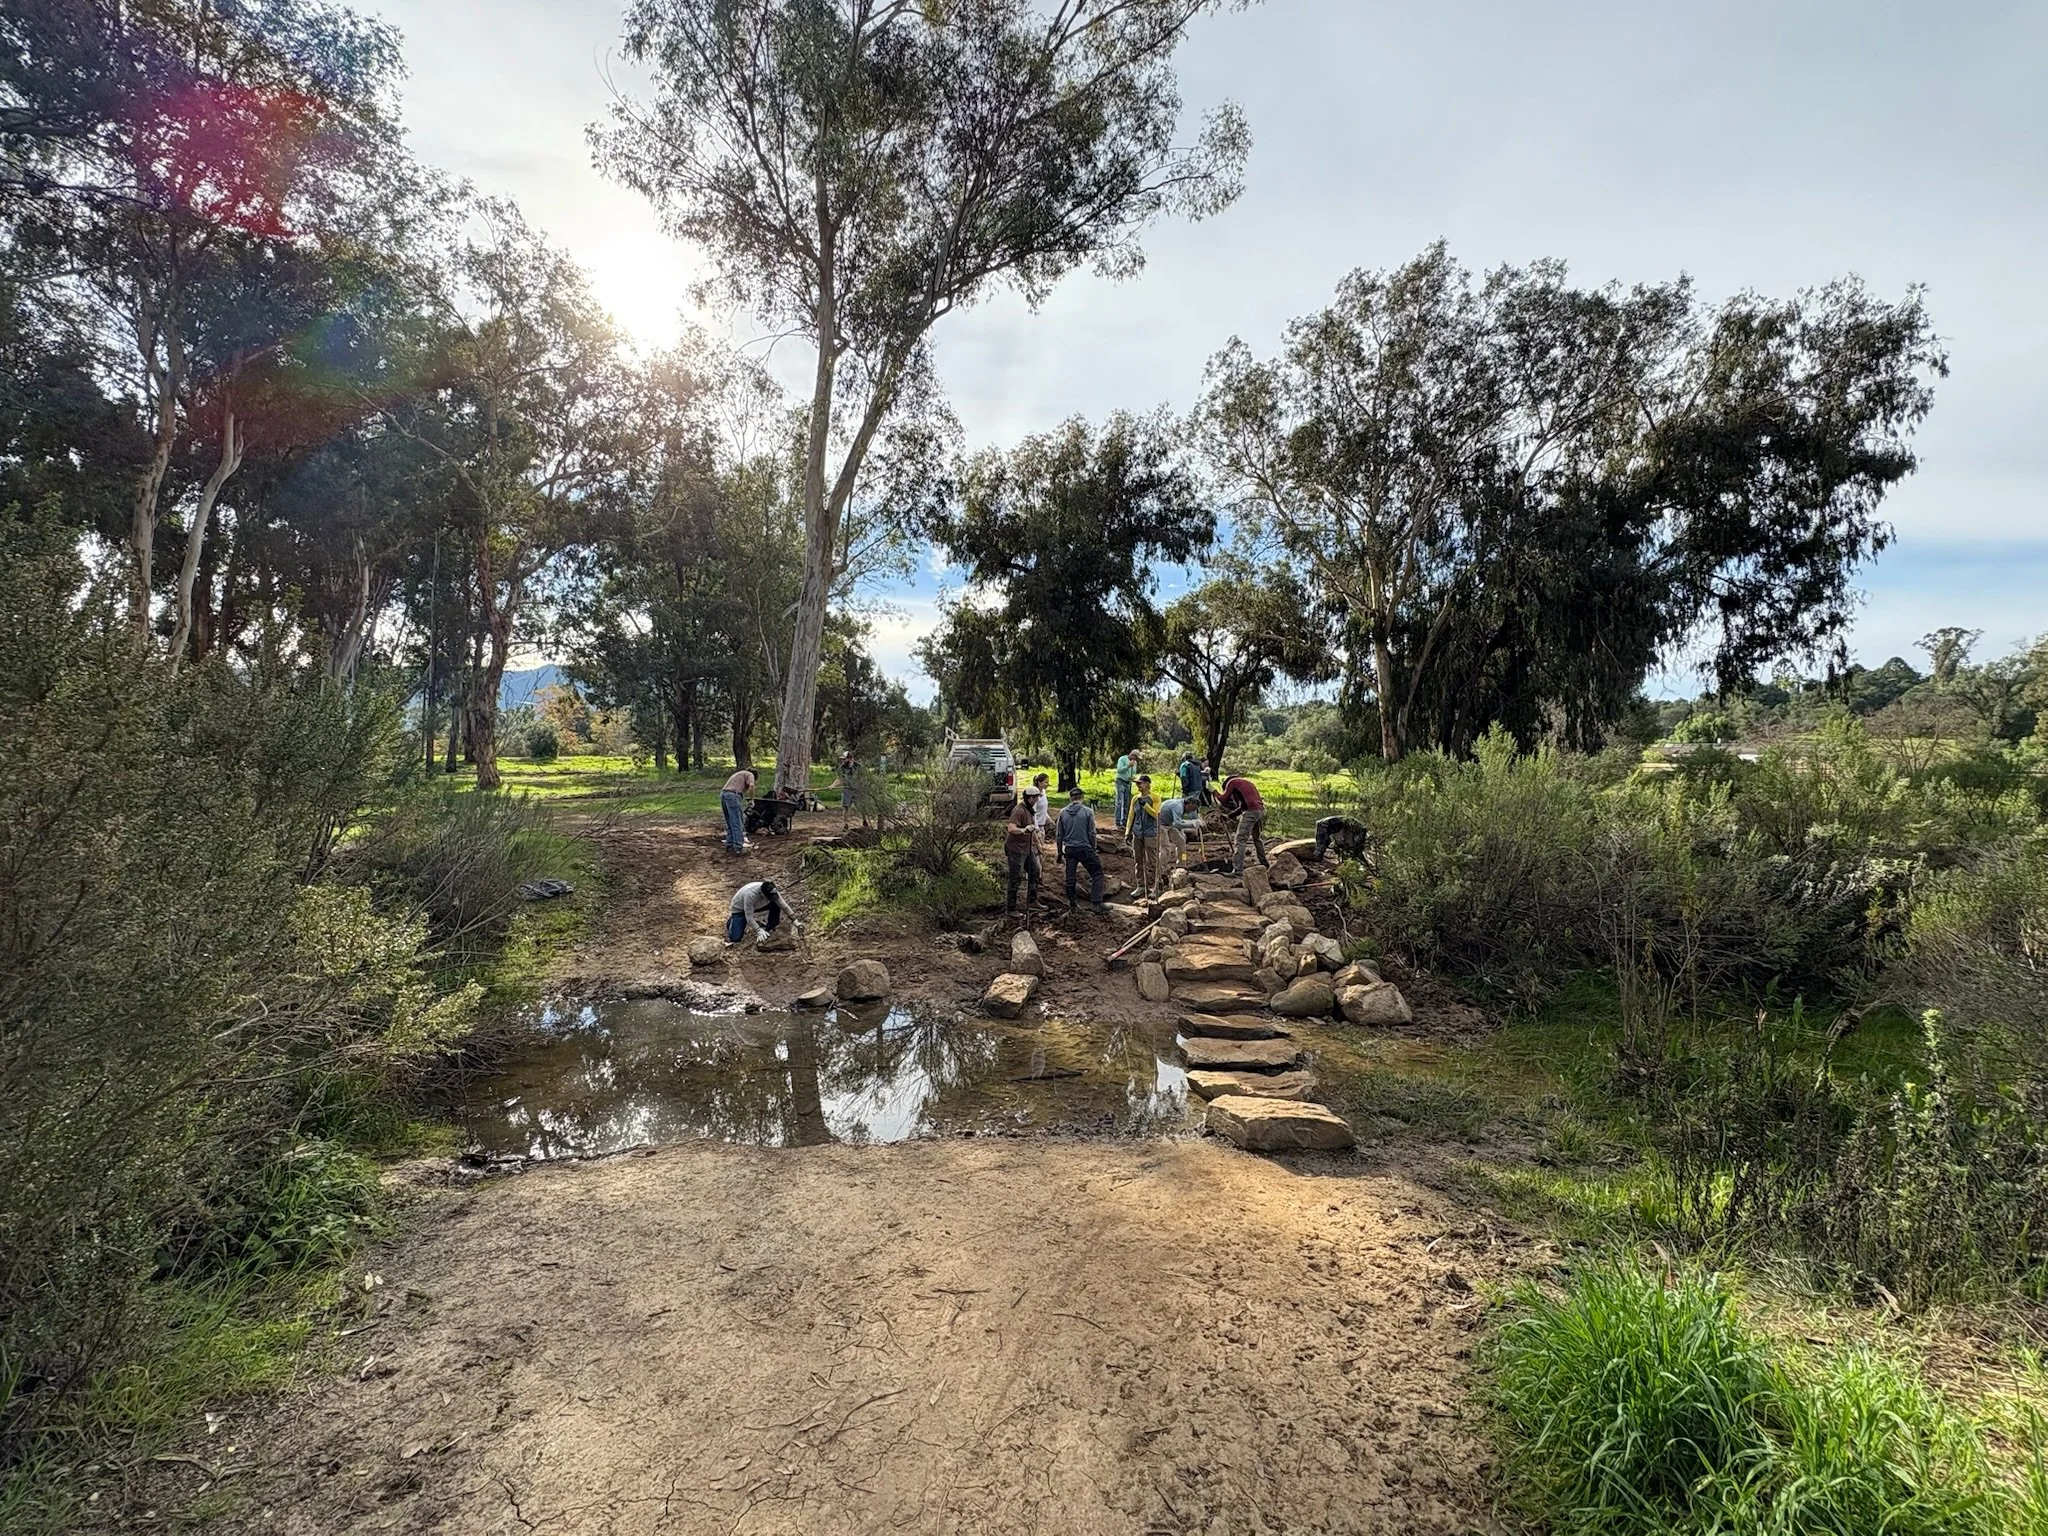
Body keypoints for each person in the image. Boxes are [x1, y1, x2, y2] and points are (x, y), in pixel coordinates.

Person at [1056, 786, 1106, 912]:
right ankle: (1097, 904)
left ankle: (1072, 904)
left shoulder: (1063, 812)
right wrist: (1093, 847)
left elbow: (1059, 835)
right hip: (1084, 847)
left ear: (1070, 798)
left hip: (1070, 849)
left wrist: (1059, 852)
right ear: (1082, 797)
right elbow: (1092, 832)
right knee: (1097, 873)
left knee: (1070, 877)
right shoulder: (1088, 812)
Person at [1217, 771, 1267, 873]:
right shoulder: (1247, 783)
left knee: (1240, 840)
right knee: (1257, 838)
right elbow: (1242, 807)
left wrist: (1213, 791)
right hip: (1260, 810)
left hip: (1251, 811)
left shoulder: (1231, 783)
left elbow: (1223, 799)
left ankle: (1237, 870)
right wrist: (1229, 816)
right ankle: (1264, 863)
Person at [1123, 773, 1164, 896]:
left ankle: (1157, 885)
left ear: (1147, 784)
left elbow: (1156, 814)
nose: (1138, 785)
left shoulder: (1155, 798)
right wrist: (1127, 832)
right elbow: (1131, 816)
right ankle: (1141, 885)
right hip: (1137, 833)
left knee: (1153, 861)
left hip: (1150, 833)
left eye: (1140, 783)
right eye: (1137, 783)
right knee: (1138, 861)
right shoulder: (1135, 798)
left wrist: (1145, 806)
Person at [1003, 797, 1041, 916]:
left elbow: (1033, 830)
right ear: (1029, 798)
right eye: (1035, 798)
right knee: (1015, 878)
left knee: (1034, 872)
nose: (1036, 800)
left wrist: (1037, 845)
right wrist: (1023, 830)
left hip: (1027, 848)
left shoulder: (1030, 810)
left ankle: (1032, 900)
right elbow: (1011, 828)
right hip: (1016, 849)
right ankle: (1011, 908)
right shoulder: (1018, 810)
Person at [726, 878, 784, 943]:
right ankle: (733, 920)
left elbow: (784, 905)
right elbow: (749, 917)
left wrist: (795, 920)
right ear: (762, 894)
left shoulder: (771, 890)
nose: (772, 898)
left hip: (756, 905)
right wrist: (758, 930)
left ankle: (770, 927)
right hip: (740, 909)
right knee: (736, 938)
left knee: (775, 903)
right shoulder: (750, 895)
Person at [720, 766, 755, 853]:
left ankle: (730, 844)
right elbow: (751, 786)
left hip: (723, 794)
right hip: (733, 796)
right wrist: (751, 799)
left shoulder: (739, 774)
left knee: (729, 821)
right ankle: (738, 847)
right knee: (737, 821)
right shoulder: (750, 774)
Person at [1158, 793, 1192, 881]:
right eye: (1192, 809)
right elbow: (1177, 823)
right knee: (1166, 848)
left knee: (1181, 842)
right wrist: (1192, 824)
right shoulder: (1178, 807)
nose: (1191, 812)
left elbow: (1177, 822)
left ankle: (1182, 864)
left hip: (1169, 824)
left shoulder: (1182, 805)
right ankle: (1160, 870)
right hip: (1159, 825)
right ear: (1189, 805)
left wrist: (1182, 832)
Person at [1113, 750, 1136, 834]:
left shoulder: (1135, 763)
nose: (1135, 760)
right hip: (1120, 782)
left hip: (1128, 783)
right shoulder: (1122, 759)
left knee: (1126, 802)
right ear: (1132, 755)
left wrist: (1132, 777)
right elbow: (1119, 770)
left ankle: (1125, 821)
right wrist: (1128, 766)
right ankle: (1118, 821)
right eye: (1135, 757)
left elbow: (1133, 773)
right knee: (1119, 802)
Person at [1028, 772, 1053, 843]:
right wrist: (1036, 829)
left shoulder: (1043, 793)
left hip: (1042, 825)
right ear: (1039, 783)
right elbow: (1032, 813)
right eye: (1046, 782)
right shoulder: (1035, 796)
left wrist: (1049, 820)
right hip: (1036, 826)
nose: (1048, 784)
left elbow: (1043, 809)